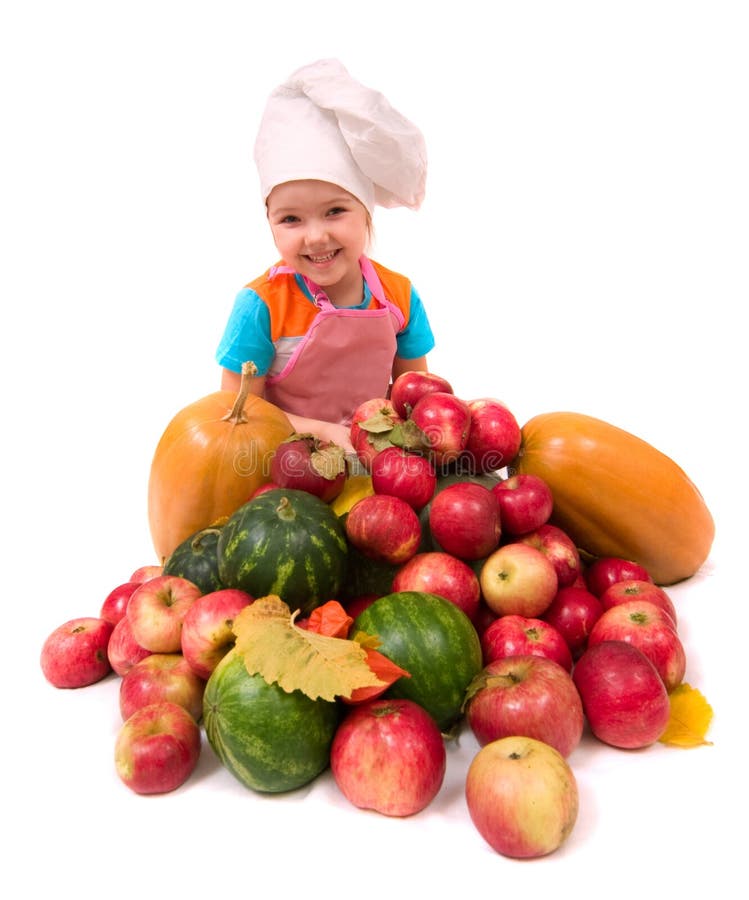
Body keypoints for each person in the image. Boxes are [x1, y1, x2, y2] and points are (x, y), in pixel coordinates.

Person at [215, 59, 435, 453]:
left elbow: (416, 401)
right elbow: (236, 412)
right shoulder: (261, 306)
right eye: (291, 219)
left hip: (376, 464)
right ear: (269, 223)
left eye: (335, 211)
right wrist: (322, 431)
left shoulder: (400, 296)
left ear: (366, 212)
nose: (316, 237)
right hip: (283, 460)